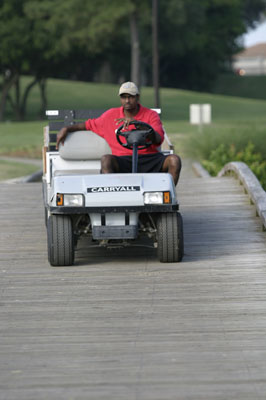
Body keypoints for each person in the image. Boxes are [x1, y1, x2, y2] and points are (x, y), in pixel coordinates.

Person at [56, 81, 181, 184]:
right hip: (124, 160)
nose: (127, 101)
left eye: (131, 97)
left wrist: (137, 124)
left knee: (174, 160)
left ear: (137, 97)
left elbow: (158, 138)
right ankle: (112, 197)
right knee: (106, 159)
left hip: (148, 159)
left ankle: (168, 198)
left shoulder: (151, 115)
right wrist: (67, 128)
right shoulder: (110, 116)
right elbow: (87, 125)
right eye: (124, 97)